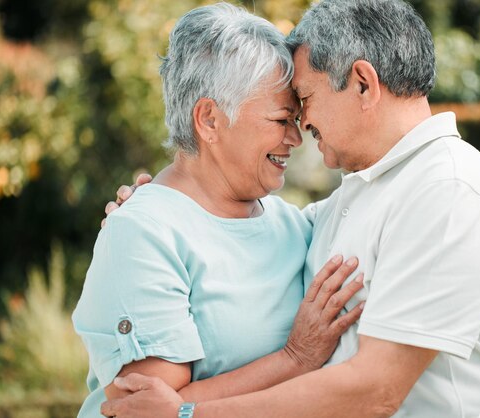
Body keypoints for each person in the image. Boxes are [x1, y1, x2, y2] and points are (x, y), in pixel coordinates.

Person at [101, 0, 480, 417]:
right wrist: (155, 208)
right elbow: (220, 226)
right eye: (285, 115)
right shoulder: (354, 198)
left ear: (363, 84)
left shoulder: (447, 191)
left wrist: (188, 414)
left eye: (304, 100)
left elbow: (376, 391)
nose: (302, 127)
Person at [72, 4, 366, 418]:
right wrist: (296, 358)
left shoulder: (293, 224)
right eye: (282, 119)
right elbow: (144, 407)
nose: (295, 138)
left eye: (297, 119)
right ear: (209, 119)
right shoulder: (143, 234)